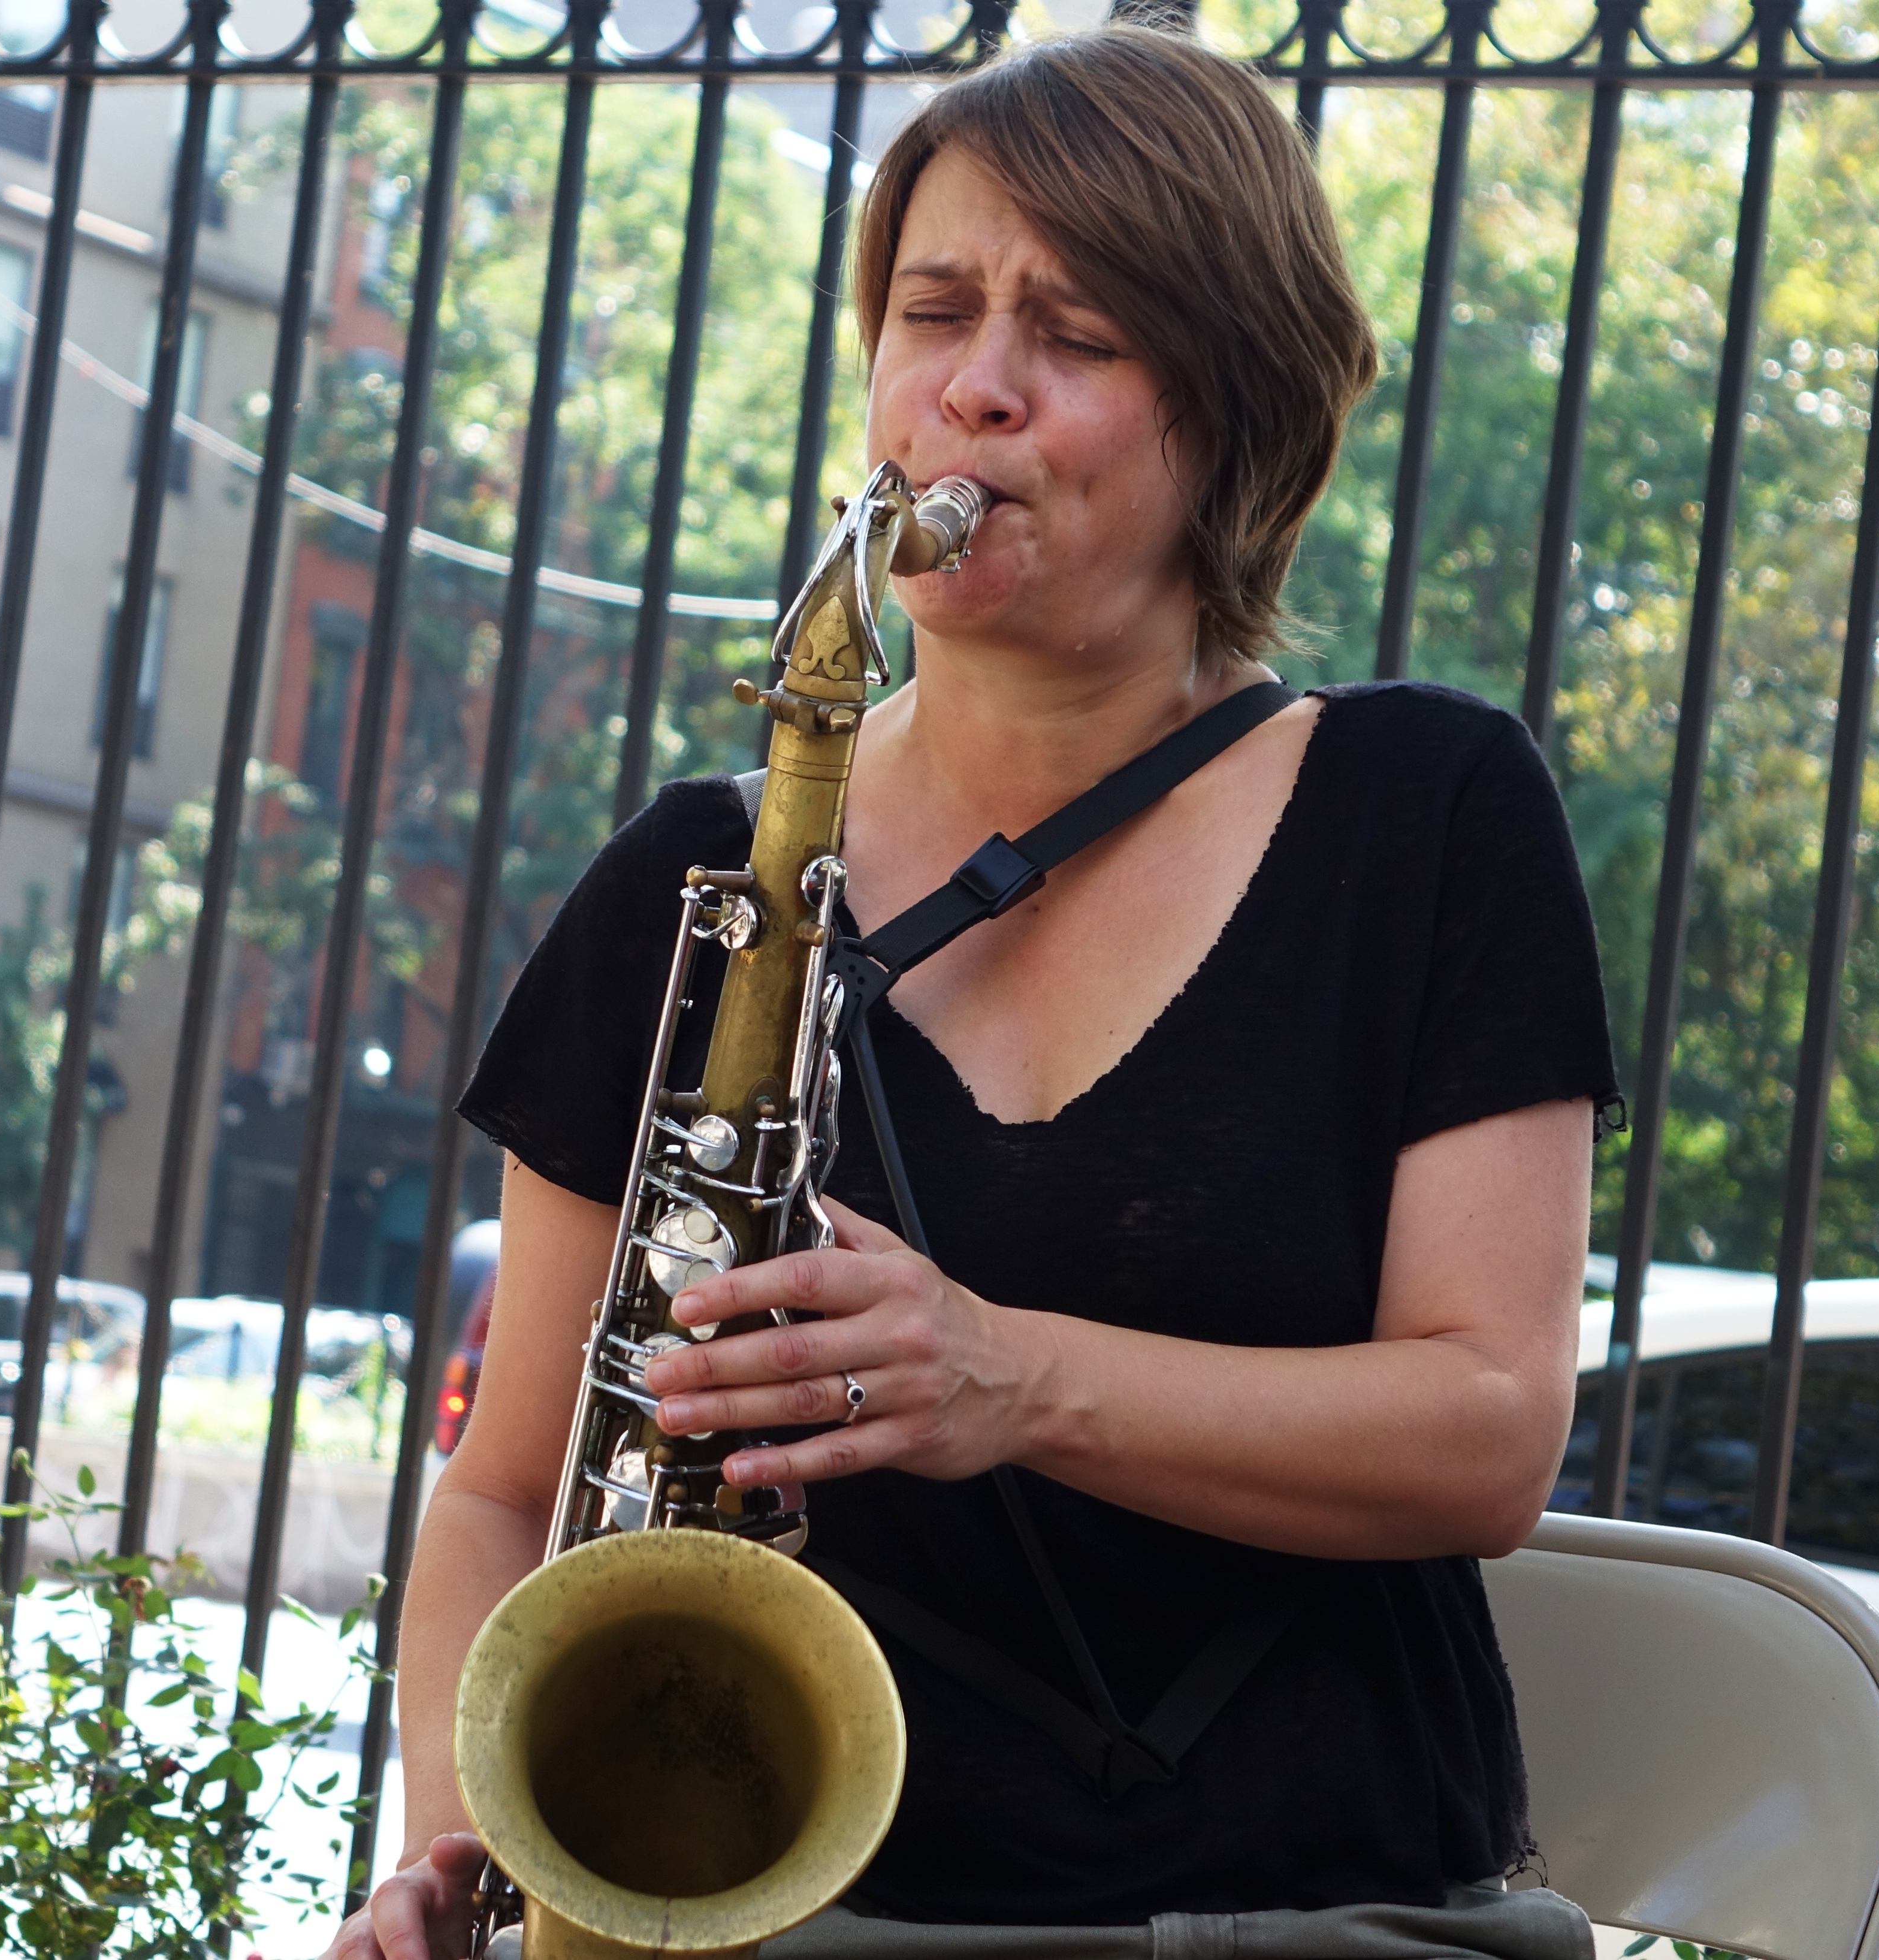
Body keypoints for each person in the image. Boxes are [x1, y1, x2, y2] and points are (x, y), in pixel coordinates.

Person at [332, 24, 1618, 1960]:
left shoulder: (1428, 815)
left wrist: (994, 1377)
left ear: (1233, 406)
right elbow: (503, 1494)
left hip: (1315, 1914)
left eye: (1075, 338)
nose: (974, 391)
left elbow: (1486, 1426)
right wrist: (455, 1851)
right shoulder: (700, 882)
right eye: (930, 313)